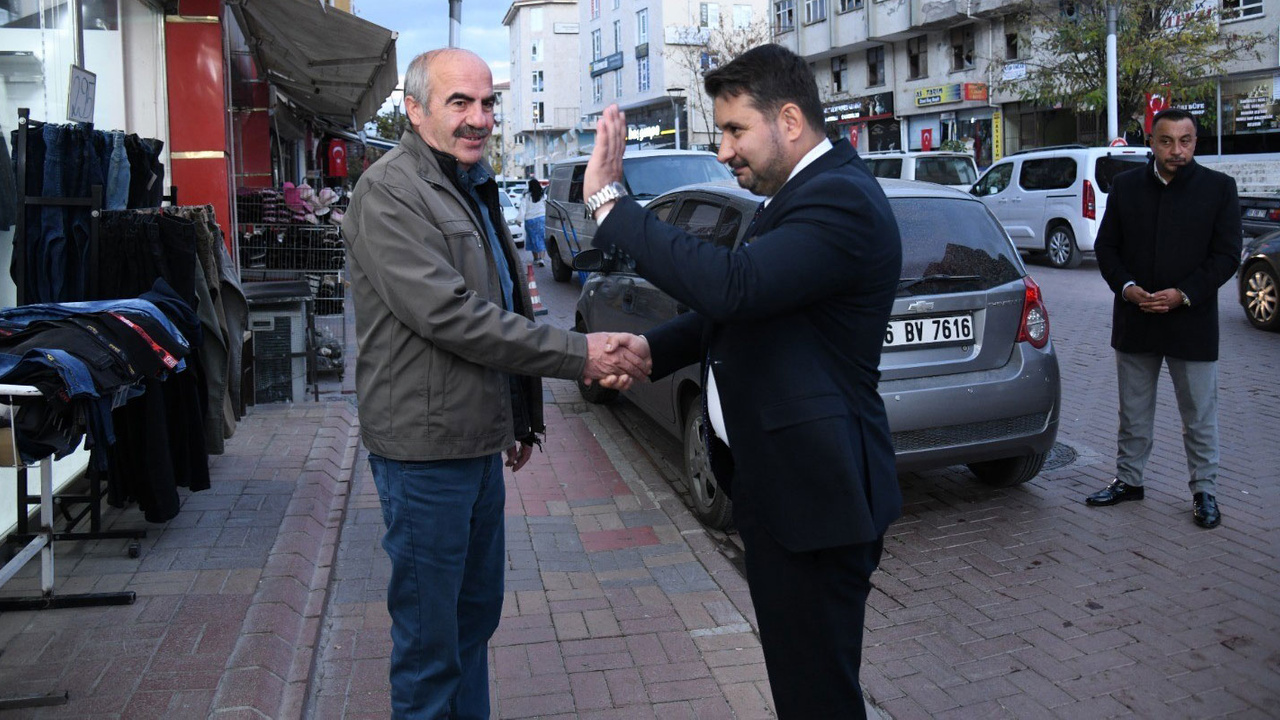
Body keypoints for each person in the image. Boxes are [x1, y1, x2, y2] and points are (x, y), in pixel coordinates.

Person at [584, 44, 902, 718]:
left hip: (819, 500)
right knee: (799, 686)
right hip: (782, 490)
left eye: (734, 130)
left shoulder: (840, 200)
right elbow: (743, 310)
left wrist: (614, 206)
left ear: (789, 119)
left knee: (818, 696)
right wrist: (649, 348)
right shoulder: (793, 196)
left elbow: (735, 287)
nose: (723, 151)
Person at [341, 48, 650, 719]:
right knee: (430, 649)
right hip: (424, 455)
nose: (479, 119)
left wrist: (520, 417)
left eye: (487, 104)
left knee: (473, 625)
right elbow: (453, 316)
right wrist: (582, 354)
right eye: (460, 103)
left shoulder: (467, 182)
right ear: (415, 109)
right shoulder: (390, 192)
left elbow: (507, 301)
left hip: (475, 444)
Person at [1089, 107, 1242, 529]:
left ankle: (1204, 491)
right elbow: (1107, 249)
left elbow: (1227, 255)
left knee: (1199, 414)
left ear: (1196, 142)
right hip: (1136, 318)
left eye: (1186, 141)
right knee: (1133, 411)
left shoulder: (1219, 188)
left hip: (1191, 322)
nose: (1177, 150)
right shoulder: (1126, 186)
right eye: (1167, 141)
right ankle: (1130, 480)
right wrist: (1127, 287)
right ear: (1151, 142)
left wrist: (1184, 294)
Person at [516, 177, 547, 266]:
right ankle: (542, 258)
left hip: (530, 221)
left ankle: (536, 258)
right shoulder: (543, 196)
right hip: (541, 218)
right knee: (541, 238)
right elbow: (547, 207)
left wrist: (519, 220)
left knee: (532, 239)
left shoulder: (527, 196)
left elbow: (523, 209)